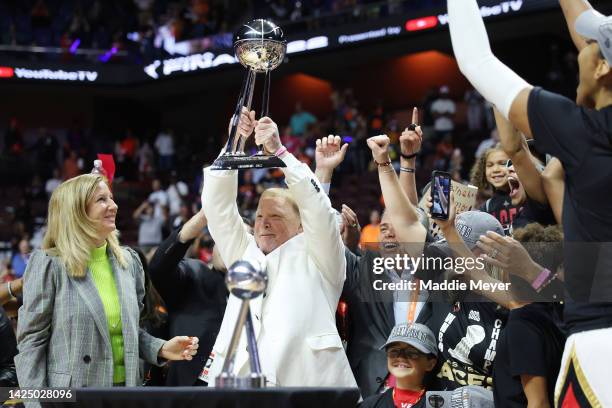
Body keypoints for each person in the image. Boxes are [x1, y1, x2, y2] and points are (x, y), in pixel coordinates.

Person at [447, 0, 612, 404]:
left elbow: (475, 59)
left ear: (604, 68)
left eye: (588, 48)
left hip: (602, 343)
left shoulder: (588, 136)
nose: (580, 50)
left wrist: (530, 271)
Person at [201, 109, 356, 388]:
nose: (264, 224)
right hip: (240, 385)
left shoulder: (320, 256)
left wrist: (280, 153)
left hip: (305, 387)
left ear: (300, 226)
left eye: (276, 217)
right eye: (260, 216)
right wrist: (234, 145)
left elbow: (317, 209)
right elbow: (218, 208)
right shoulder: (244, 253)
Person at [15, 173, 199, 389]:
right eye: (101, 199)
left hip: (126, 394)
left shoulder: (129, 262)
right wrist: (37, 404)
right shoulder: (49, 264)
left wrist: (161, 348)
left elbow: (130, 332)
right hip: (71, 398)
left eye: (111, 198)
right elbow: (31, 343)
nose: (113, 206)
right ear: (76, 210)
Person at [148, 209, 229, 386]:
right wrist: (199, 220)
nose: (227, 244)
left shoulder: (265, 288)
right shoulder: (195, 274)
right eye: (222, 238)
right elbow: (158, 269)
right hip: (190, 393)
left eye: (236, 238)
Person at [360, 323, 438, 408]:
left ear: (430, 364)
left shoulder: (443, 404)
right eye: (394, 351)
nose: (401, 357)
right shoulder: (369, 404)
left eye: (411, 353)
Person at [470, 145, 517, 234]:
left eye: (503, 163)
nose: (495, 169)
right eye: (490, 165)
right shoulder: (486, 208)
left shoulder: (528, 198)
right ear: (483, 171)